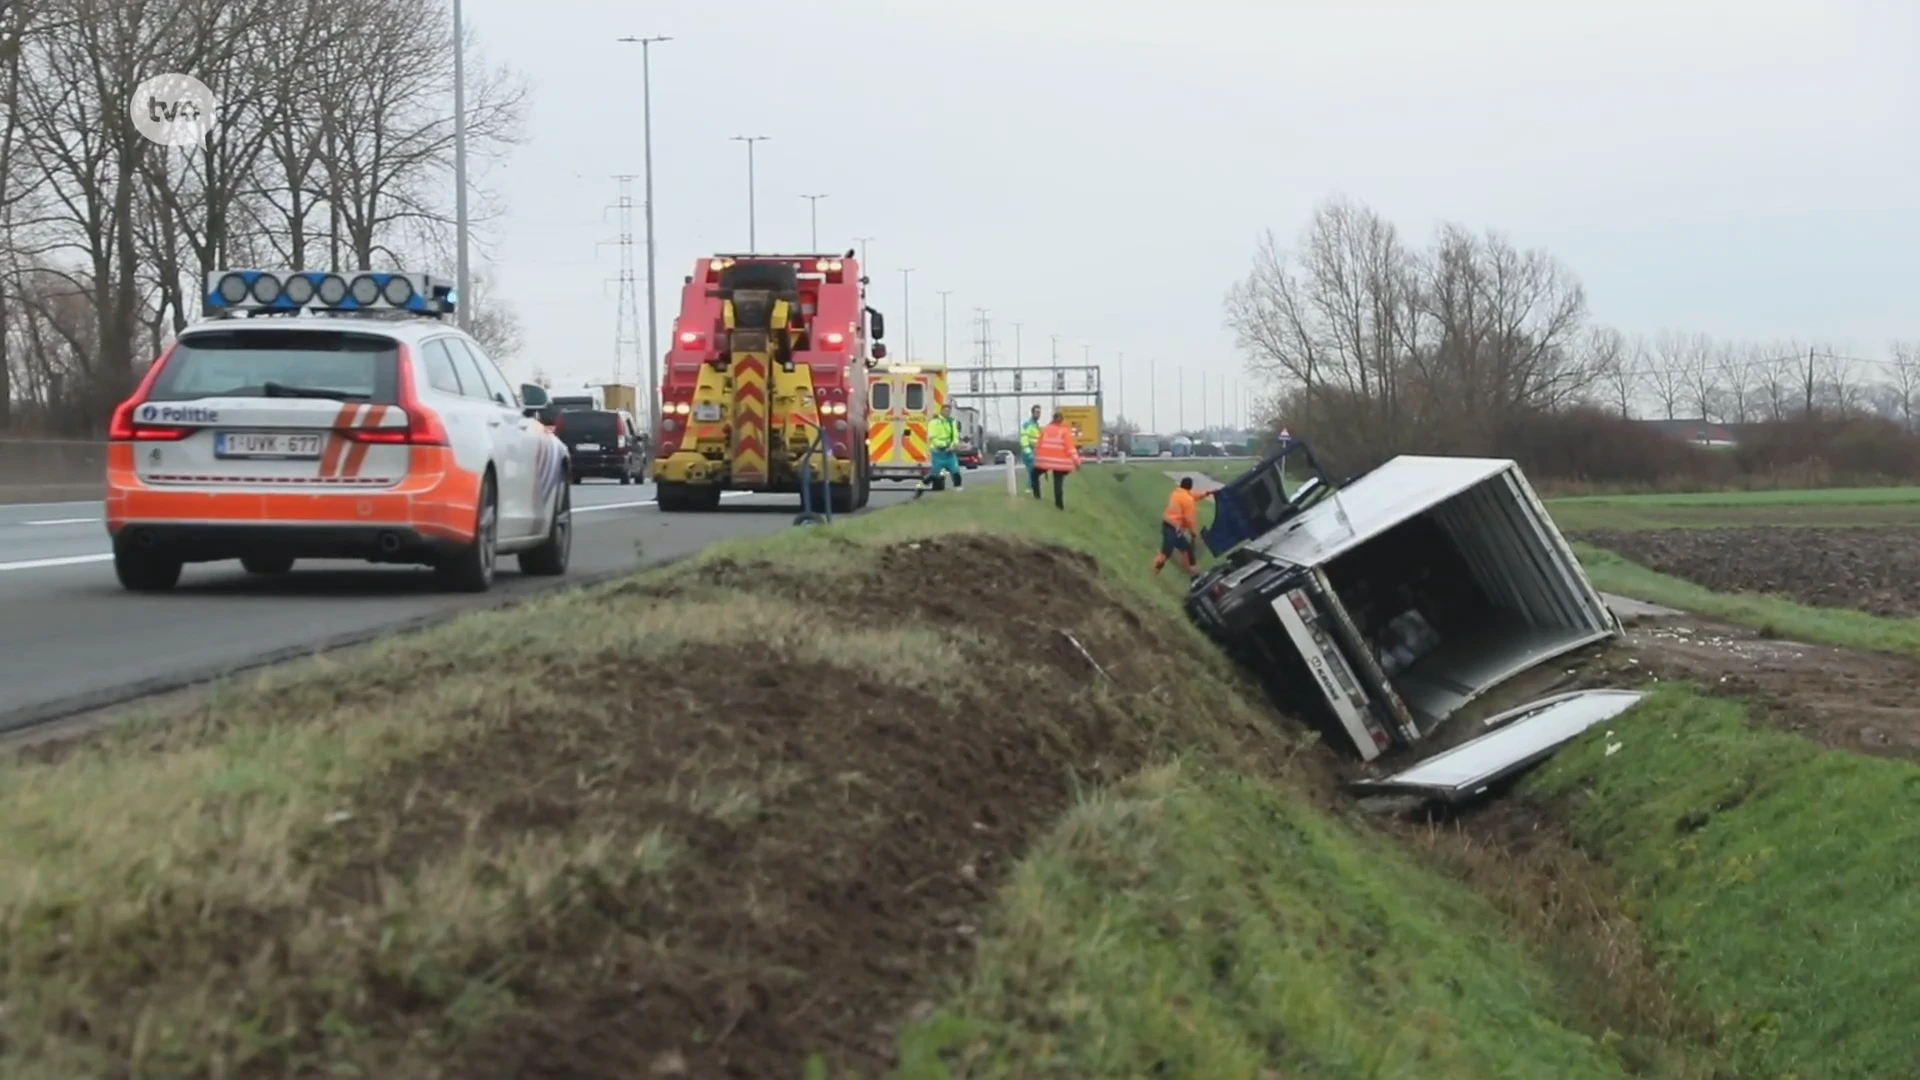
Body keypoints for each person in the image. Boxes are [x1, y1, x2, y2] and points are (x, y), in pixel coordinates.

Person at [1153, 476, 1215, 577]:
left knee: (1186, 549)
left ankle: (1192, 570)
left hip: (1170, 526)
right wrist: (1194, 533)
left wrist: (1206, 493)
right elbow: (1189, 519)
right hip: (1172, 528)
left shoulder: (1177, 493)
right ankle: (1154, 571)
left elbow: (1194, 495)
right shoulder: (1187, 500)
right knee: (1166, 552)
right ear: (1191, 486)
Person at [1031, 408, 1081, 509]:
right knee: (1058, 482)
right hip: (1060, 463)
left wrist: (1036, 458)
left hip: (1045, 461)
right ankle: (1059, 505)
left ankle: (1037, 496)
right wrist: (1077, 462)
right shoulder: (1065, 432)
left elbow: (1038, 445)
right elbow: (1070, 448)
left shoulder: (1045, 429)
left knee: (1034, 474)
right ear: (1062, 420)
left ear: (1053, 419)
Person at [913, 402, 964, 498]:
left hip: (950, 452)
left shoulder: (952, 422)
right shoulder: (934, 422)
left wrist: (953, 445)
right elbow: (933, 437)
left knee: (955, 471)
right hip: (938, 452)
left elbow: (955, 436)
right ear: (941, 411)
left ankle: (959, 492)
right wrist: (944, 445)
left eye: (949, 410)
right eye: (945, 410)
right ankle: (920, 488)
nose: (947, 412)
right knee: (934, 474)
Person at [1019, 404, 1044, 499]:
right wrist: (1028, 451)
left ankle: (1031, 489)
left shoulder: (1036, 425)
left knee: (1034, 472)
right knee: (1032, 471)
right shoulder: (1028, 424)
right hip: (1029, 451)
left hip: (1035, 451)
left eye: (1039, 412)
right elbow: (1024, 438)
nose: (1038, 414)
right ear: (1032, 413)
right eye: (1037, 412)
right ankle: (1029, 490)